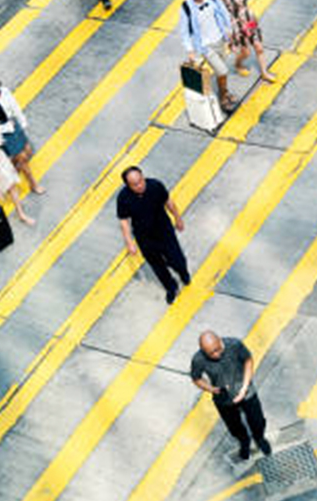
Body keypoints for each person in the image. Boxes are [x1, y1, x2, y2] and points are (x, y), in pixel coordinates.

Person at [190, 331, 271, 460]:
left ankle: (259, 439)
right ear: (203, 351)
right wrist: (211, 389)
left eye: (217, 350)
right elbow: (196, 378)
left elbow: (248, 361)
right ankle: (244, 442)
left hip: (246, 392)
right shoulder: (198, 359)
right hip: (223, 398)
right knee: (234, 426)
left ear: (219, 341)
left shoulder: (235, 345)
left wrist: (244, 388)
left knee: (257, 420)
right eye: (211, 354)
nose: (216, 355)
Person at [117, 167, 189, 304]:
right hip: (144, 237)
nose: (140, 185)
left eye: (141, 180)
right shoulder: (123, 198)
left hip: (164, 232)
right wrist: (129, 243)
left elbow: (169, 203)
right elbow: (124, 221)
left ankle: (183, 272)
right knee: (157, 266)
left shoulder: (155, 186)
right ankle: (170, 286)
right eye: (135, 184)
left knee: (177, 260)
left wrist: (178, 218)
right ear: (128, 185)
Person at [180, 0, 237, 113]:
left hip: (220, 39)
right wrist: (190, 50)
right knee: (223, 70)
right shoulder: (186, 7)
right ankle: (223, 98)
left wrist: (229, 30)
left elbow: (222, 11)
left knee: (221, 72)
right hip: (205, 46)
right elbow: (184, 32)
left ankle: (225, 91)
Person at [0, 73, 44, 196]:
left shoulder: (5, 91)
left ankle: (8, 178)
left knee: (28, 151)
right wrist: (7, 127)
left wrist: (22, 122)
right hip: (6, 134)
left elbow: (15, 106)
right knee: (23, 159)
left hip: (15, 126)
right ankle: (33, 184)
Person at [217, 0, 275, 82]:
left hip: (249, 20)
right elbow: (218, 10)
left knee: (259, 47)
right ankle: (238, 64)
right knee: (246, 53)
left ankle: (264, 72)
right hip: (238, 25)